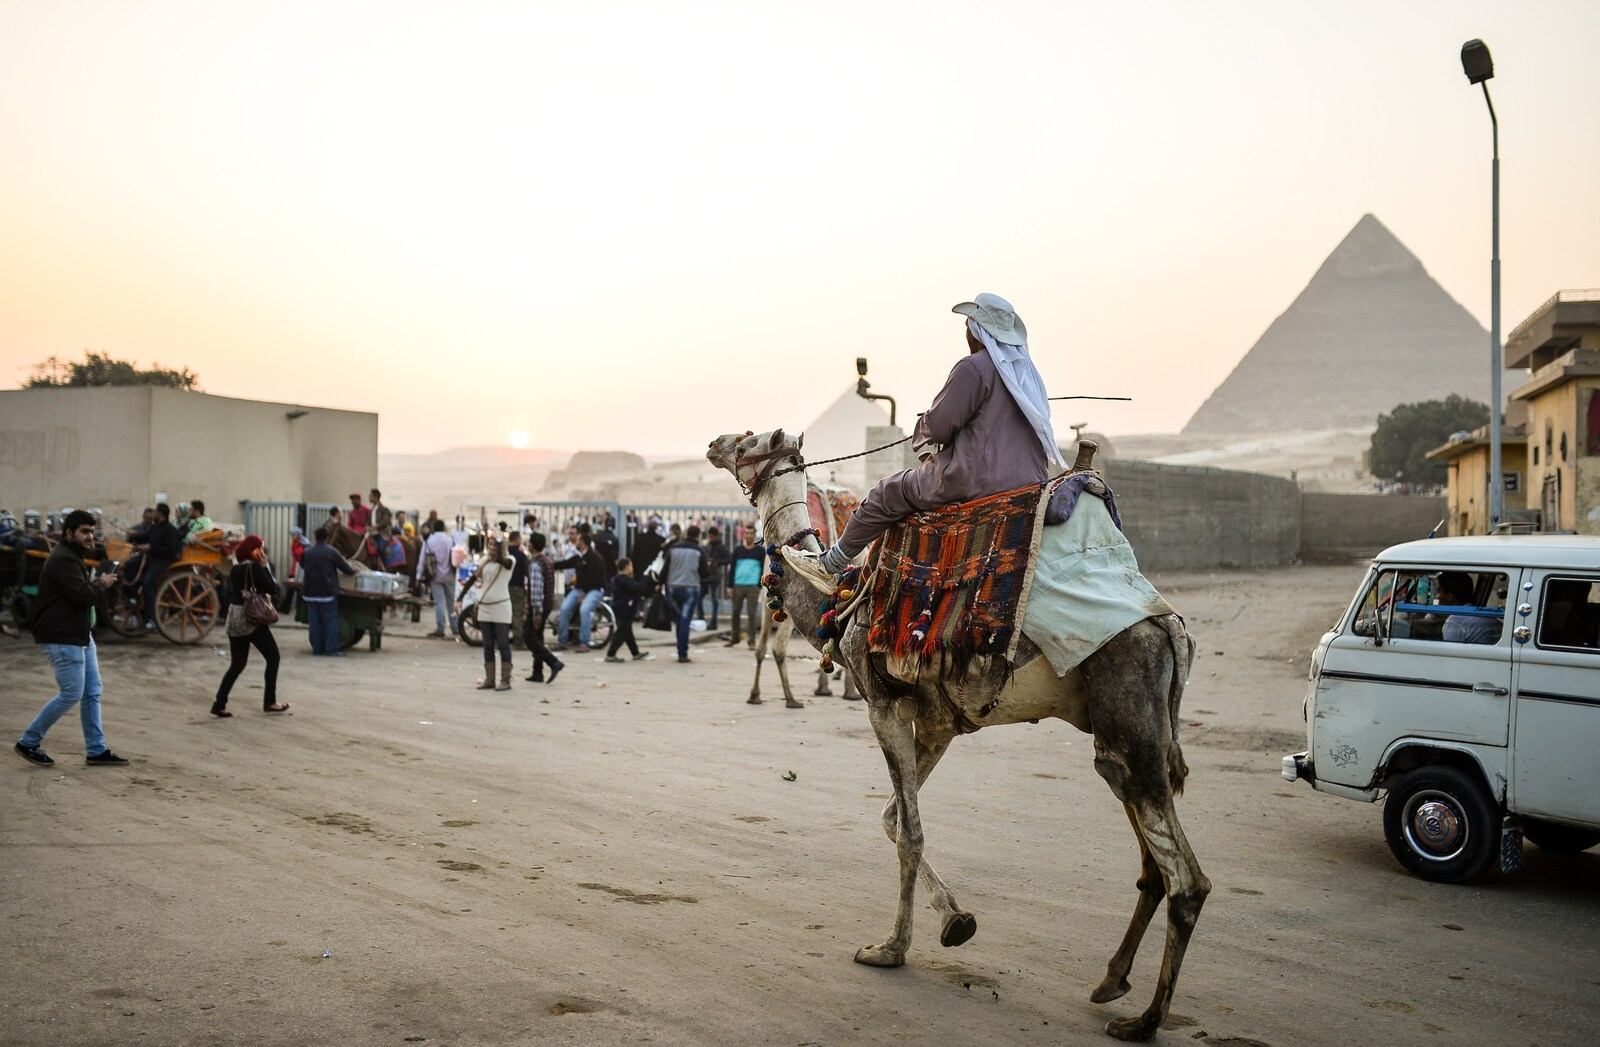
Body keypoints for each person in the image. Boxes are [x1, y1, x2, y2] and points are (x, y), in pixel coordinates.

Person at [819, 293, 1065, 572]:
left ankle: (833, 562)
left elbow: (938, 426)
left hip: (975, 482)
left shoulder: (973, 368)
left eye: (968, 325)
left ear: (976, 330)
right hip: (1031, 482)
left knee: (885, 493)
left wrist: (922, 424)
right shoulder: (1029, 377)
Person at [14, 510, 130, 767]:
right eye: (84, 532)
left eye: (92, 531)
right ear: (69, 533)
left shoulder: (73, 555)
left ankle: (96, 750)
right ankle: (28, 741)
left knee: (92, 692)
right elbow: (82, 596)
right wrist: (102, 583)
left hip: (79, 635)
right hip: (62, 636)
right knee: (71, 693)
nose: (90, 537)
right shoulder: (64, 560)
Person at [213, 535, 289, 716]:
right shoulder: (255, 568)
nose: (263, 552)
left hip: (235, 617)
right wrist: (265, 567)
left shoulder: (236, 568)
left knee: (237, 664)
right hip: (251, 619)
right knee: (273, 657)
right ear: (255, 551)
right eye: (261, 548)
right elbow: (274, 589)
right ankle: (270, 701)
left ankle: (219, 704)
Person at [458, 534, 515, 689]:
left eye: (495, 545)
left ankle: (505, 680)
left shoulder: (509, 560)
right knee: (488, 644)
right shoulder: (484, 560)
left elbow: (507, 564)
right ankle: (490, 679)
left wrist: (497, 555)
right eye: (490, 545)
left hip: (501, 607)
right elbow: (472, 579)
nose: (492, 548)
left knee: (503, 644)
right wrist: (460, 598)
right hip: (484, 608)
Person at [301, 524, 355, 655]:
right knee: (330, 621)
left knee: (314, 622)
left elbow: (302, 565)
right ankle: (331, 649)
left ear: (315, 537)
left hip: (309, 593)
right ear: (327, 537)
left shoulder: (307, 552)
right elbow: (346, 569)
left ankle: (317, 649)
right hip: (327, 593)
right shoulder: (332, 552)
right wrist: (354, 570)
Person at [552, 532, 607, 652]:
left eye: (578, 541)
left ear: (583, 542)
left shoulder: (595, 557)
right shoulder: (579, 557)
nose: (576, 543)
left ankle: (584, 642)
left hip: (594, 590)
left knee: (585, 609)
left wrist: (585, 593)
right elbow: (565, 564)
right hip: (579, 589)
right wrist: (550, 564)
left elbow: (596, 578)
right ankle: (562, 641)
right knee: (565, 608)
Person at [522, 532, 564, 683]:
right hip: (547, 604)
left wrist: (536, 613)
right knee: (537, 636)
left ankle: (553, 662)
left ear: (532, 545)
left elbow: (536, 590)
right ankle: (537, 672)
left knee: (528, 636)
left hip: (538, 606)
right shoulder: (547, 561)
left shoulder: (535, 564)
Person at [660, 525, 704, 663]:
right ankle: (682, 652)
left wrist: (660, 584)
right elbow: (704, 572)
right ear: (697, 536)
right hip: (690, 587)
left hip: (672, 588)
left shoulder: (673, 549)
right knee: (685, 620)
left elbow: (664, 570)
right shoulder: (699, 551)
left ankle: (680, 648)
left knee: (679, 619)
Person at [139, 502, 182, 630]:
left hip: (163, 561)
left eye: (155, 512)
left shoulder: (170, 530)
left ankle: (153, 619)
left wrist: (150, 548)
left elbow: (170, 550)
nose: (153, 514)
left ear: (160, 514)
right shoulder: (155, 527)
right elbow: (146, 538)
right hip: (151, 558)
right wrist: (134, 536)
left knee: (147, 584)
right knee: (129, 567)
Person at [417, 519, 458, 637]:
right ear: (444, 528)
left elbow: (422, 560)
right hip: (450, 576)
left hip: (435, 576)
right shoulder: (450, 540)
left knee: (439, 602)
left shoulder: (429, 541)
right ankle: (455, 628)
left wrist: (418, 576)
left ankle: (441, 629)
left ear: (433, 528)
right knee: (451, 603)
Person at [605, 558, 650, 663]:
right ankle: (611, 654)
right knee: (622, 632)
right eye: (631, 566)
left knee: (628, 632)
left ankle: (635, 653)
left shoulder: (617, 579)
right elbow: (638, 588)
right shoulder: (624, 580)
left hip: (621, 608)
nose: (632, 568)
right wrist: (646, 578)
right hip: (624, 609)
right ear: (626, 567)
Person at [725, 529, 765, 647]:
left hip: (753, 586)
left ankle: (751, 640)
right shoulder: (738, 550)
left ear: (754, 535)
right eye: (747, 533)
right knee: (735, 612)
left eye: (751, 533)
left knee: (752, 613)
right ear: (744, 535)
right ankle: (734, 637)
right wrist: (730, 586)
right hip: (738, 585)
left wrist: (759, 585)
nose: (749, 535)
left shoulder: (760, 551)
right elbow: (732, 568)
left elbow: (763, 568)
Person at [1438, 571, 1501, 645]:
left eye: (1438, 591)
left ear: (1449, 597)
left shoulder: (1454, 622)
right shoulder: (1488, 617)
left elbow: (1450, 654)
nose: (1437, 596)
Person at [699, 526, 728, 630]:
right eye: (709, 536)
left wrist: (717, 563)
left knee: (713, 600)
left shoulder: (721, 547)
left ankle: (713, 622)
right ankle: (701, 619)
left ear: (716, 536)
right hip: (705, 577)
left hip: (714, 577)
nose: (710, 538)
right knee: (699, 598)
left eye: (711, 536)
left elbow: (728, 558)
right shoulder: (707, 547)